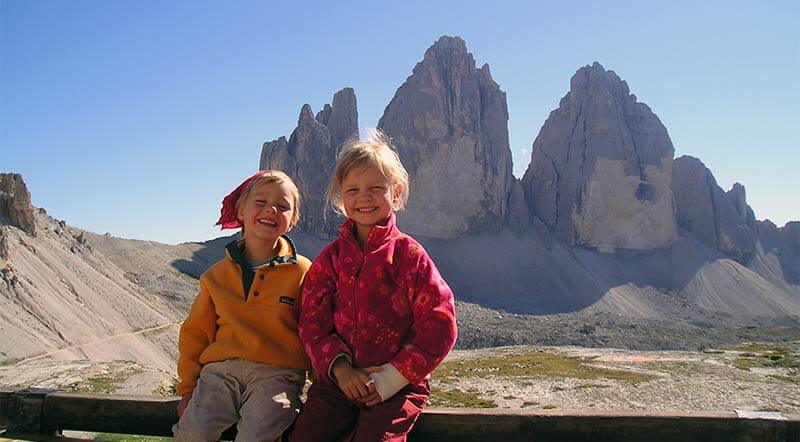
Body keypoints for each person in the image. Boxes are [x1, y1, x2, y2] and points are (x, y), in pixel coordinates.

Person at [290, 132, 458, 442]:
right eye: (352, 190)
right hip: (338, 384)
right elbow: (312, 323)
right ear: (341, 198)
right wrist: (341, 370)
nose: (363, 198)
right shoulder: (329, 260)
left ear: (396, 193)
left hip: (399, 385)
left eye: (375, 188)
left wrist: (392, 378)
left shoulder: (409, 255)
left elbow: (440, 322)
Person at [172, 170, 312, 442]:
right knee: (191, 432)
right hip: (219, 375)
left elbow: (314, 329)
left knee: (257, 434)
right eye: (260, 202)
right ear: (241, 209)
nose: (271, 209)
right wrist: (188, 389)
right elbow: (195, 333)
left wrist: (321, 385)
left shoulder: (303, 271)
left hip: (278, 375)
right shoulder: (215, 276)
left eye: (282, 206)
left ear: (293, 220)